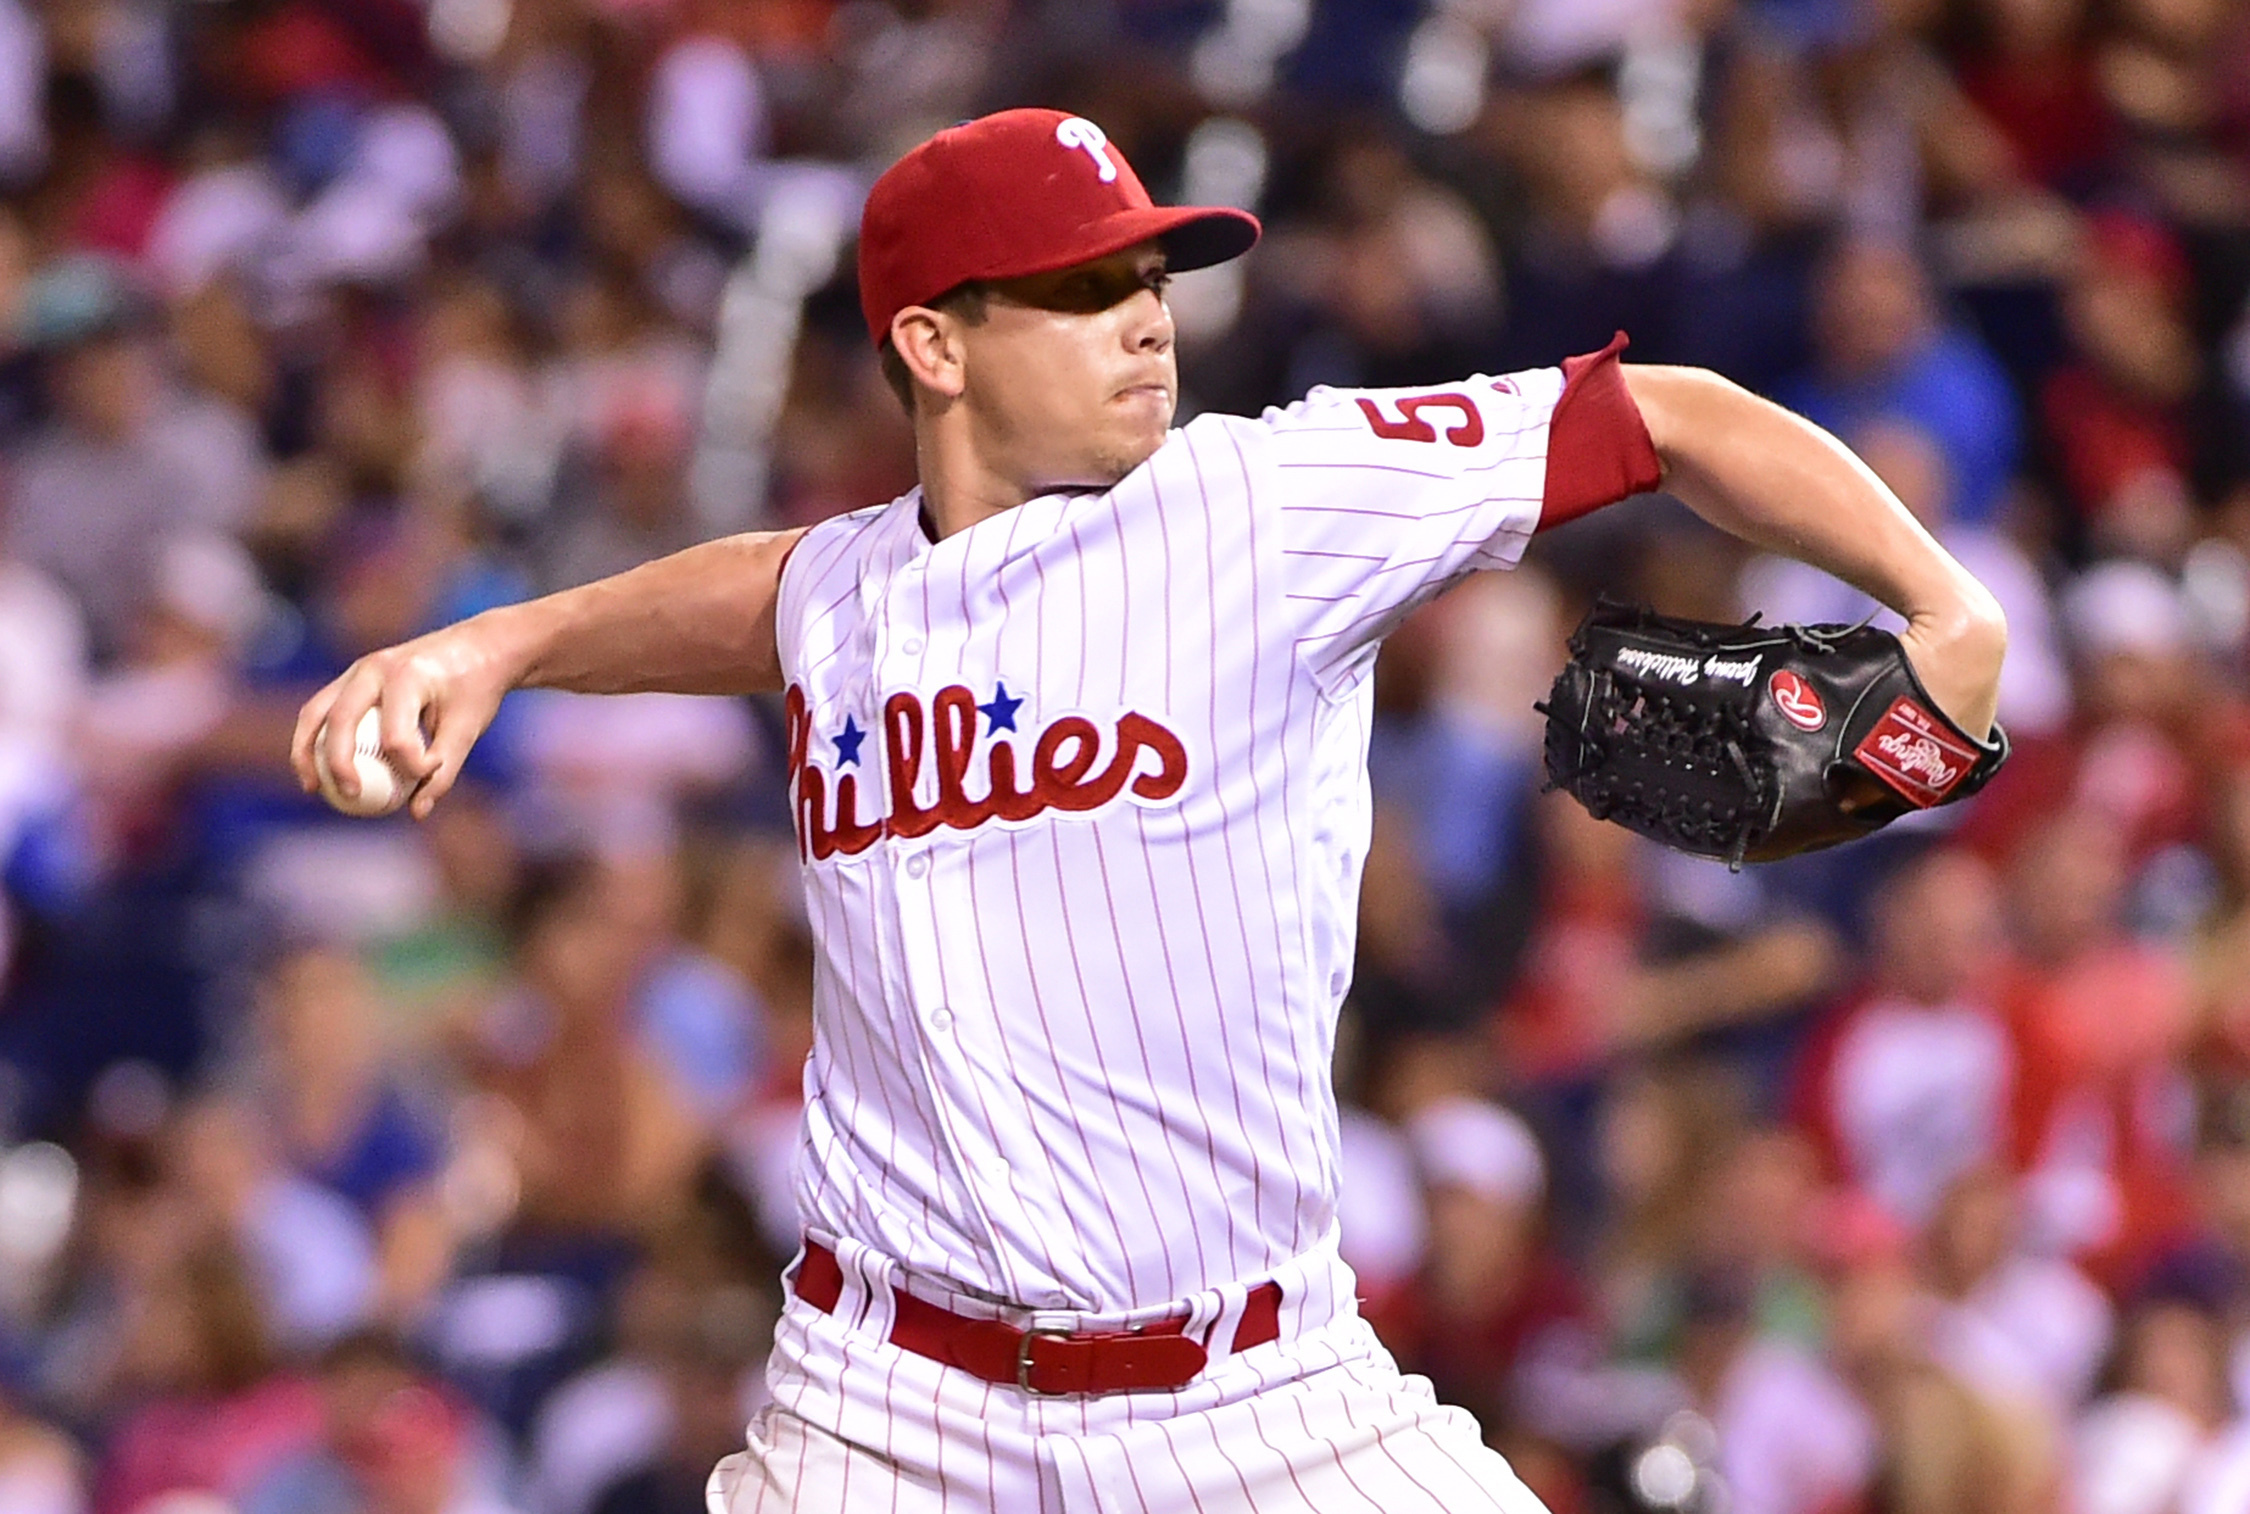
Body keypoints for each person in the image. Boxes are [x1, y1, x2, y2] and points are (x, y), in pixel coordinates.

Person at [292, 108, 2007, 1512]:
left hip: (1258, 1401)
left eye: (1151, 273)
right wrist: (497, 640)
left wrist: (1951, 615)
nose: (1145, 315)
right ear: (930, 343)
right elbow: (761, 593)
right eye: (1080, 285)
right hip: (885, 1412)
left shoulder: (1264, 500)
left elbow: (1665, 416)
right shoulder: (848, 589)